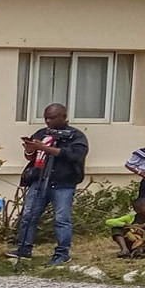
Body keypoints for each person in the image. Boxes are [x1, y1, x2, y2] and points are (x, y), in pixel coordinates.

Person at [5, 103, 89, 266]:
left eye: (52, 118)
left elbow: (75, 155)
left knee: (61, 219)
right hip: (39, 180)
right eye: (46, 118)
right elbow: (31, 156)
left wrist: (45, 147)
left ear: (64, 117)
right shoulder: (42, 133)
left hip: (63, 183)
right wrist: (30, 149)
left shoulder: (76, 136)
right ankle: (24, 249)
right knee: (28, 216)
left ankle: (62, 253)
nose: (48, 121)